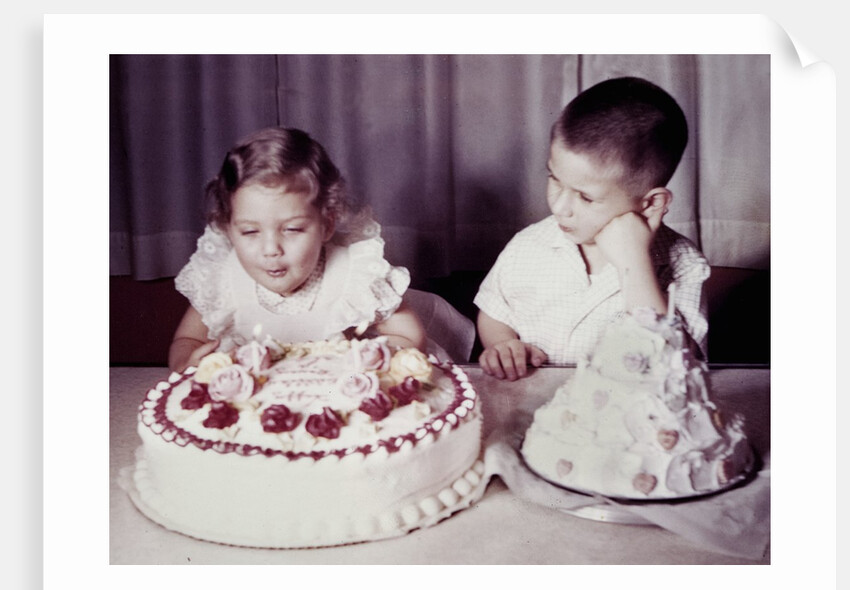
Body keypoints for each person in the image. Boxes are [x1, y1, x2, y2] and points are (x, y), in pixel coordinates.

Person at [474, 76, 709, 381]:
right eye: (555, 179)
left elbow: (675, 369)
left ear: (650, 205)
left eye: (586, 197)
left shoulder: (685, 265)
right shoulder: (529, 244)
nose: (559, 207)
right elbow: (494, 312)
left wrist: (634, 264)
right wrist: (504, 344)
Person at [169, 126, 427, 373]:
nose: (271, 249)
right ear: (228, 229)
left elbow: (409, 336)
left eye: (292, 229)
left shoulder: (355, 274)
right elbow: (187, 340)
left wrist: (379, 357)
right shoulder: (222, 279)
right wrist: (186, 362)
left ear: (326, 225)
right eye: (250, 232)